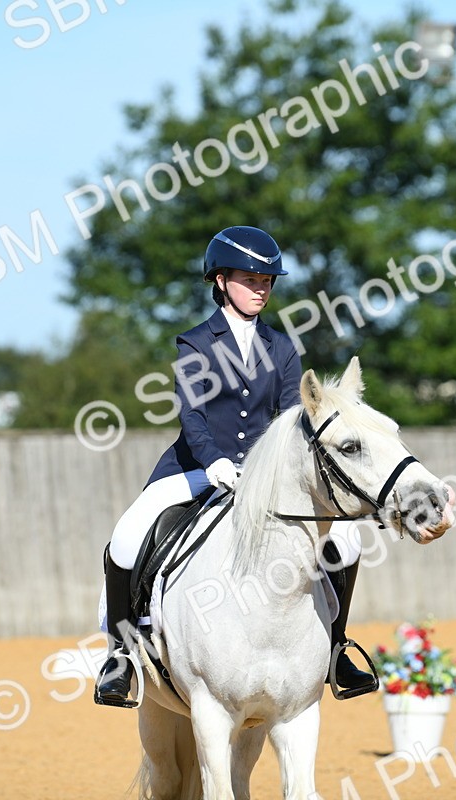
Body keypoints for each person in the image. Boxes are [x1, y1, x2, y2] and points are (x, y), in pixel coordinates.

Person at [94, 225, 380, 708]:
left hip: (266, 478)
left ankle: (335, 648)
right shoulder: (196, 343)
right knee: (127, 535)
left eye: (268, 280)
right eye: (251, 279)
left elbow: (295, 420)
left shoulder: (282, 347)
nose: (261, 288)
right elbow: (193, 415)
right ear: (221, 280)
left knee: (348, 539)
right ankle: (120, 655)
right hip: (198, 467)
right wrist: (215, 463)